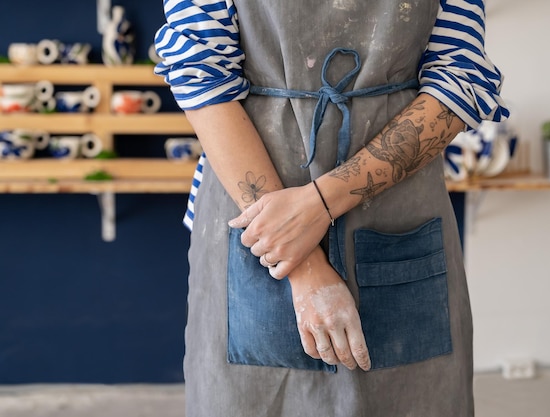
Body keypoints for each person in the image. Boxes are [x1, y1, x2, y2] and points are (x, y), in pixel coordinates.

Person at [155, 0, 508, 415]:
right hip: (255, 211)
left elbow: (459, 76)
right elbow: (199, 74)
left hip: (400, 215)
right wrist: (300, 263)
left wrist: (322, 202)